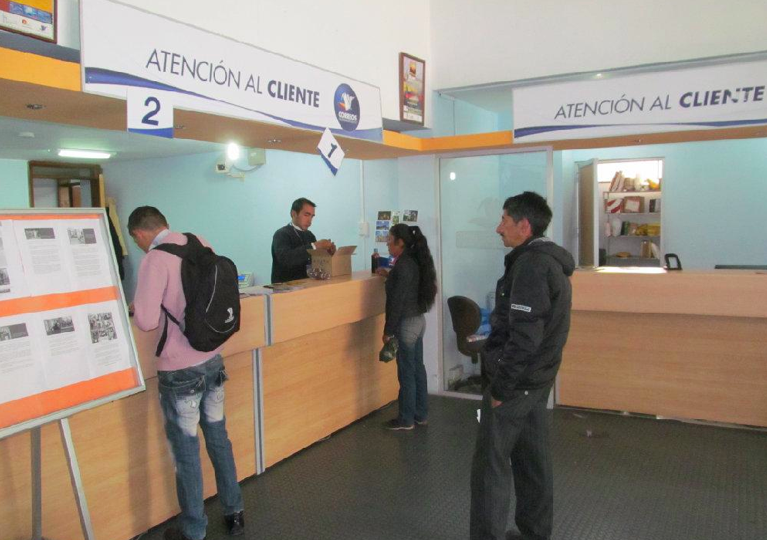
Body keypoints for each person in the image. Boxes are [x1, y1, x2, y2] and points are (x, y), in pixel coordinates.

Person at [128, 206, 245, 540]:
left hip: (179, 371)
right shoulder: (199, 241)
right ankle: (234, 512)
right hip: (212, 358)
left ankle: (194, 530)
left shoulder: (155, 260)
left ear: (139, 234)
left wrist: (140, 306)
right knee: (219, 439)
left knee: (187, 452)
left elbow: (146, 321)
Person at [470, 191, 574, 540]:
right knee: (532, 462)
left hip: (516, 384)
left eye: (504, 220)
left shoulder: (532, 266)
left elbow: (525, 338)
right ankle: (534, 532)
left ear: (524, 226)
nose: (498, 228)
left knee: (491, 465)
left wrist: (500, 387)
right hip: (536, 381)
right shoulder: (548, 262)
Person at [379, 223, 437, 430]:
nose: (387, 244)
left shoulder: (403, 265)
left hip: (406, 324)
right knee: (418, 370)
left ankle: (406, 419)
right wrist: (389, 276)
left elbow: (397, 301)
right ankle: (420, 414)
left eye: (389, 240)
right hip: (418, 321)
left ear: (400, 242)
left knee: (406, 373)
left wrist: (388, 331)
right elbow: (407, 286)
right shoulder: (413, 261)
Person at [271, 197, 336, 283]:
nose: (310, 221)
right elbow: (286, 260)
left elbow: (315, 263)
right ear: (294, 214)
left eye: (312, 216)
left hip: (308, 284)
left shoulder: (310, 235)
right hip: (285, 286)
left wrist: (327, 254)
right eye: (306, 215)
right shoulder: (281, 234)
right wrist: (315, 246)